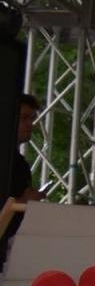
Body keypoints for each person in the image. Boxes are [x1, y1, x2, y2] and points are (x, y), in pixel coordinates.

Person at [1, 94, 41, 270]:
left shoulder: (21, 164)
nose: (29, 124)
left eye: (32, 118)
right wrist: (22, 201)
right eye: (24, 118)